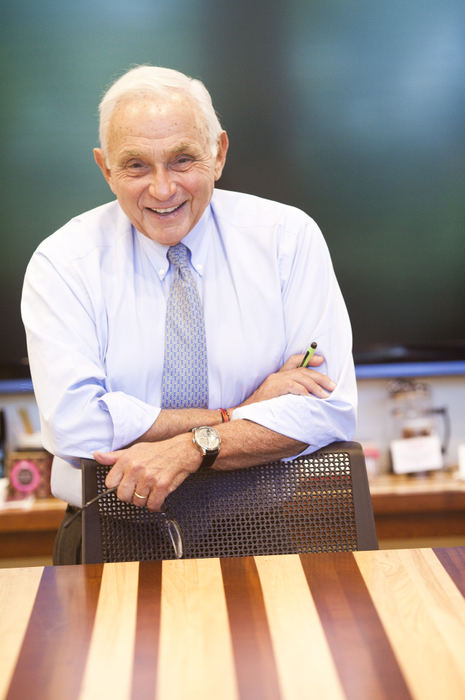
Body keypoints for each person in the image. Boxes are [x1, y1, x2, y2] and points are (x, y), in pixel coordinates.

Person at [21, 65, 357, 563]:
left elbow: (328, 410)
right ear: (105, 167)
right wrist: (236, 414)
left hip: (256, 529)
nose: (161, 189)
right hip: (110, 529)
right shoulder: (63, 262)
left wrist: (193, 447)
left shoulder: (287, 239)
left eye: (182, 160)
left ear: (218, 153)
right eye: (136, 165)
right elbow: (77, 426)